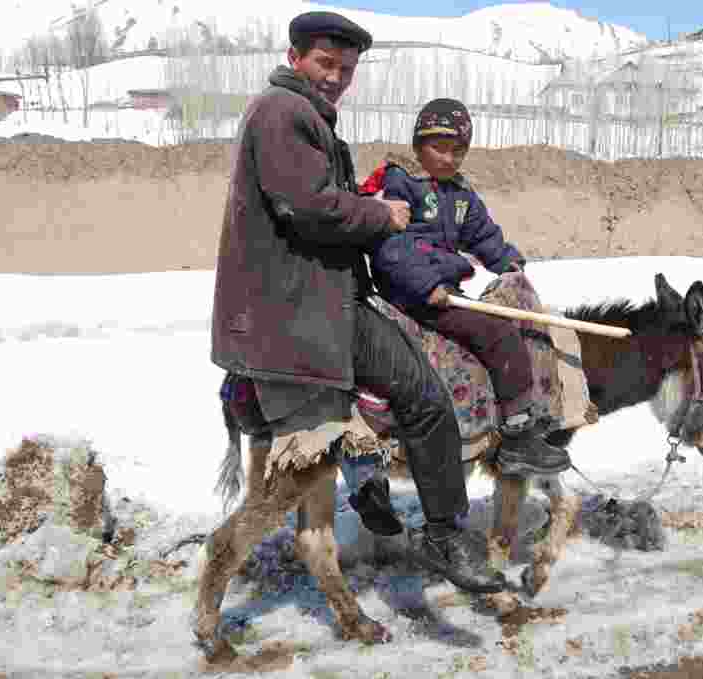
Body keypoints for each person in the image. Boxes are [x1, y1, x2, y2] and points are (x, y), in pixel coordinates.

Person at [210, 11, 506, 594]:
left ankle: (403, 501)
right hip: (302, 310)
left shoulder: (307, 117)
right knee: (424, 395)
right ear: (295, 57)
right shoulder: (283, 113)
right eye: (326, 63)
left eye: (346, 69)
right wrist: (381, 214)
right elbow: (308, 206)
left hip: (319, 297)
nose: (336, 77)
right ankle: (443, 531)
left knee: (414, 390)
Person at [357, 97, 573, 477]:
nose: (449, 158)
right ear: (418, 145)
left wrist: (507, 261)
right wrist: (427, 286)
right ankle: (518, 434)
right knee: (499, 334)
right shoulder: (400, 183)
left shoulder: (459, 193)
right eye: (439, 148)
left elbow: (481, 234)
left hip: (444, 289)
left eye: (459, 150)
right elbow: (390, 245)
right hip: (410, 292)